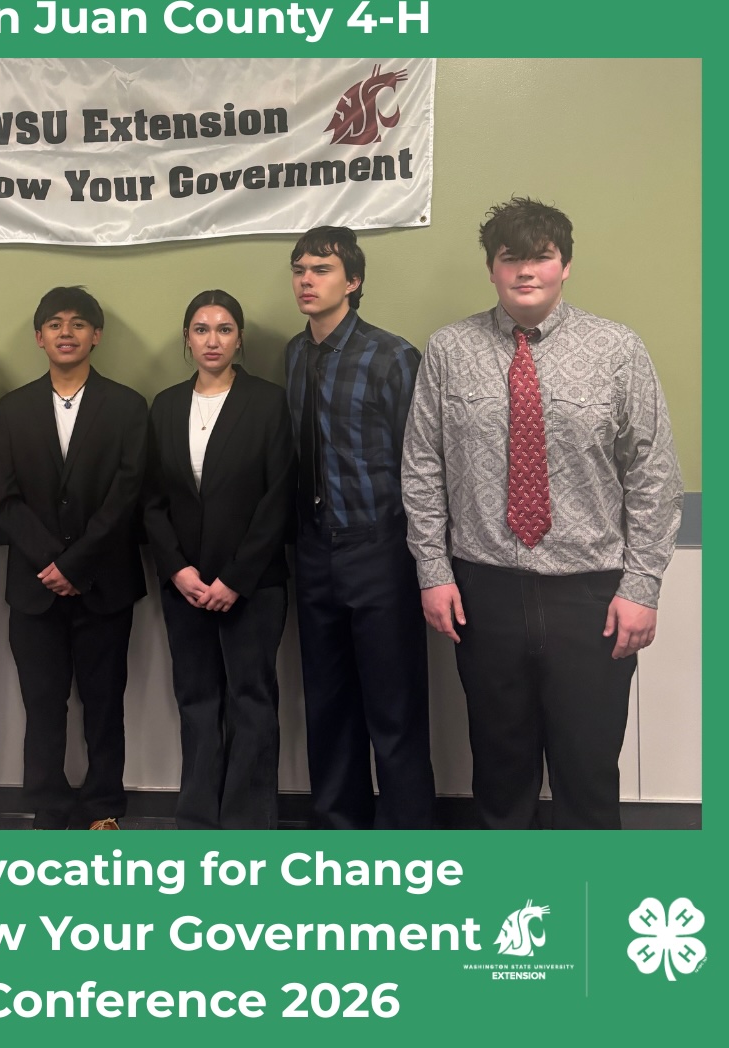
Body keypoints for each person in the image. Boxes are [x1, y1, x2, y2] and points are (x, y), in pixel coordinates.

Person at [402, 197, 683, 829]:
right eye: (511, 258)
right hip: (485, 592)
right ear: (492, 269)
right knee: (500, 775)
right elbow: (422, 469)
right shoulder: (450, 350)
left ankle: (588, 915)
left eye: (541, 257)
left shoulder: (617, 349)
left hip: (591, 598)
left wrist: (642, 586)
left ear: (566, 266)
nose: (526, 271)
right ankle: (510, 911)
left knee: (587, 773)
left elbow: (655, 473)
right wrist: (433, 571)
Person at [286, 225, 436, 830]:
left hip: (379, 549)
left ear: (353, 281)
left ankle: (408, 838)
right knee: (326, 703)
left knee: (393, 706)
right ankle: (336, 830)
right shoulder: (294, 355)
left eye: (320, 269)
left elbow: (423, 460)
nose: (305, 279)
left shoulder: (392, 356)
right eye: (298, 269)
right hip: (314, 551)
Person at [0, 286, 147, 831]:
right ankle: (50, 808)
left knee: (105, 705)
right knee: (43, 704)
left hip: (104, 585)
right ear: (39, 337)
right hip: (35, 589)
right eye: (54, 324)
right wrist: (53, 562)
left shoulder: (127, 406)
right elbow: (3, 496)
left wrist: (76, 564)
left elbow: (127, 495)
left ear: (95, 335)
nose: (66, 332)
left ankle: (105, 806)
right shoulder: (11, 408)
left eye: (78, 324)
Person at [144, 290, 296, 829]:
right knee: (196, 699)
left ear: (240, 338)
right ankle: (197, 820)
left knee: (250, 700)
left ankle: (249, 825)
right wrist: (178, 570)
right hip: (184, 582)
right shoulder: (164, 405)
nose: (213, 340)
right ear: (187, 338)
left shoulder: (268, 401)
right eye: (202, 329)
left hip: (252, 585)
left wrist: (235, 578)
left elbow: (279, 496)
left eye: (224, 329)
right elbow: (152, 498)